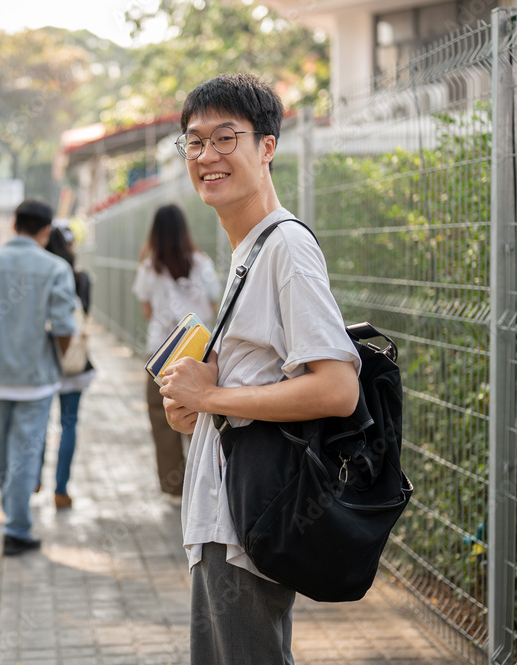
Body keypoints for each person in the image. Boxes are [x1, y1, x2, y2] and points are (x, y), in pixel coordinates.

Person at [159, 74, 361, 664]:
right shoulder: (248, 248)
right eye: (194, 143)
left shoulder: (285, 249)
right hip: (224, 517)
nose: (207, 156)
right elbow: (256, 383)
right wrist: (197, 406)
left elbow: (336, 387)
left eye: (226, 138)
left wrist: (214, 399)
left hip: (244, 523)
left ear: (267, 146)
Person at [0, 199, 76, 556]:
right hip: (36, 378)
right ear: (45, 230)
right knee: (25, 453)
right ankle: (17, 529)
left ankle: (13, 517)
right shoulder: (56, 268)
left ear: (12, 224)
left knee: (2, 452)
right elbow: (64, 326)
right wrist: (63, 359)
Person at [132, 204, 219, 501]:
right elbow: (215, 301)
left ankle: (175, 486)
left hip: (160, 354)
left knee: (163, 417)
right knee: (202, 417)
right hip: (200, 354)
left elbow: (146, 310)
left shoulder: (148, 267)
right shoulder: (201, 262)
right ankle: (205, 483)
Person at [40, 221, 96, 510]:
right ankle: (61, 490)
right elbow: (85, 313)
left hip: (43, 361)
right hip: (74, 364)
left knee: (38, 423)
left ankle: (35, 477)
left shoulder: (40, 275)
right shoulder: (81, 279)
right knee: (69, 423)